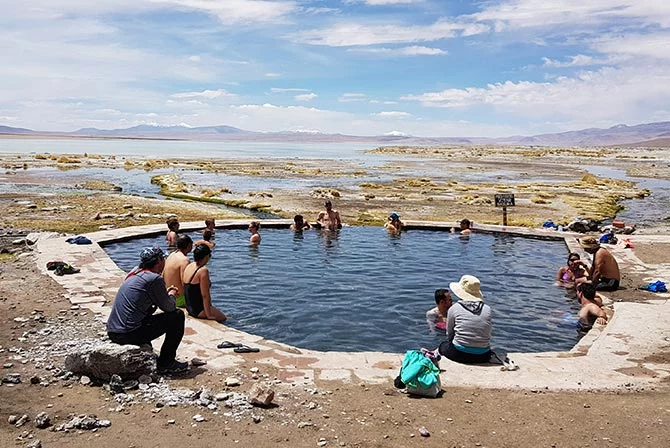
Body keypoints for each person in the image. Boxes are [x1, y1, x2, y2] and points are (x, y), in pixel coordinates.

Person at [106, 247, 187, 374]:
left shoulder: (134, 273)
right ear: (159, 261)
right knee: (177, 316)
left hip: (114, 330)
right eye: (163, 259)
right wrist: (171, 294)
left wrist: (163, 295)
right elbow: (169, 307)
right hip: (128, 333)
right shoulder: (154, 278)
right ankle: (167, 362)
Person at [437, 275, 492, 364]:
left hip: (459, 354)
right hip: (484, 355)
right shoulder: (487, 309)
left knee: (443, 346)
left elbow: (449, 334)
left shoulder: (454, 308)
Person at [182, 244, 227, 321]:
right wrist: (208, 314)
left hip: (189, 308)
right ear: (206, 256)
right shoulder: (203, 271)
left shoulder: (190, 265)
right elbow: (205, 295)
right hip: (198, 311)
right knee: (224, 318)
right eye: (209, 255)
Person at [162, 235, 193, 308]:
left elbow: (162, 275)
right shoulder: (184, 260)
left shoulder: (171, 255)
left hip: (168, 295)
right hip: (179, 299)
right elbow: (185, 283)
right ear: (189, 246)